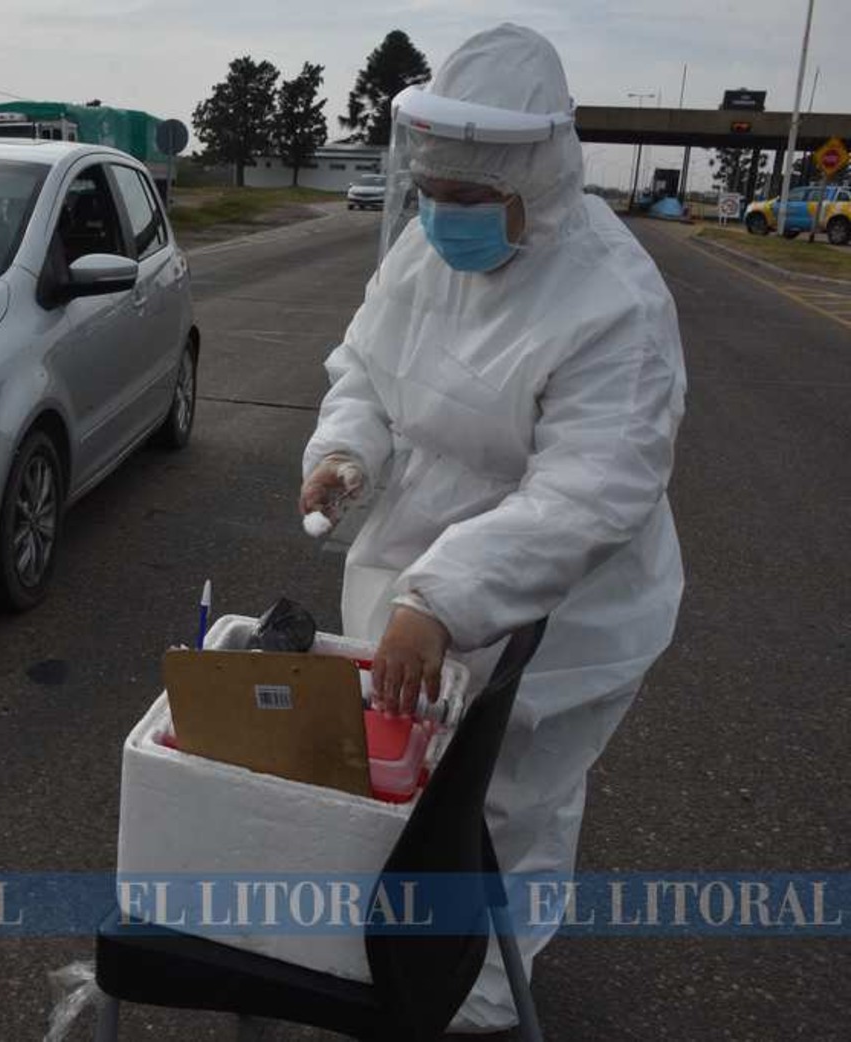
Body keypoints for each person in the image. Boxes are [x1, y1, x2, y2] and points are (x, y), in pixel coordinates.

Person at [298, 24, 686, 1032]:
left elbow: (591, 488)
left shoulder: (612, 298)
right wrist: (345, 456)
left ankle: (481, 988)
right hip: (409, 586)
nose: (446, 216)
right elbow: (364, 374)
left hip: (561, 617)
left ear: (540, 179)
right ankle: (388, 951)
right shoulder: (425, 254)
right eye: (435, 192)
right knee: (400, 788)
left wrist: (446, 595)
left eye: (471, 199)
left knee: (508, 804)